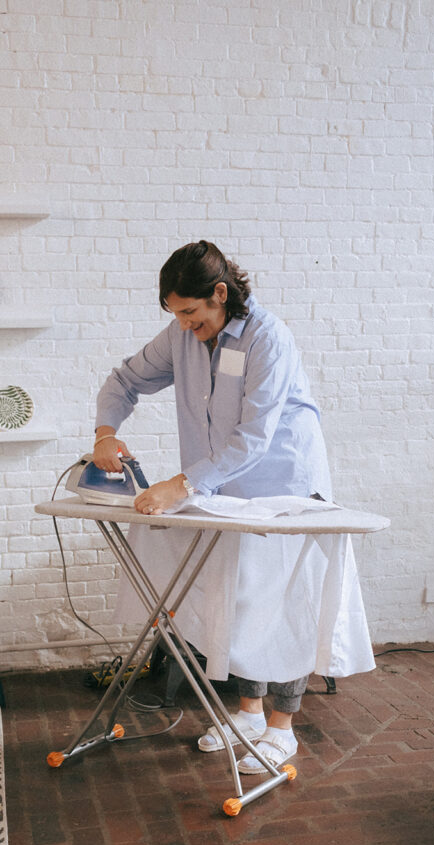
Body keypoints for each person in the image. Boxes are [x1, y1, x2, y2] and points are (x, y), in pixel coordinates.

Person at [92, 240, 333, 774]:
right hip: (224, 489)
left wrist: (180, 486)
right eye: (175, 314)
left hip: (285, 482)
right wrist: (106, 433)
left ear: (219, 294)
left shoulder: (269, 337)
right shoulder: (182, 338)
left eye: (190, 312)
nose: (182, 324)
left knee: (284, 600)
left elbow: (253, 438)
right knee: (241, 597)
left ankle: (281, 729)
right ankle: (247, 715)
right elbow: (125, 378)